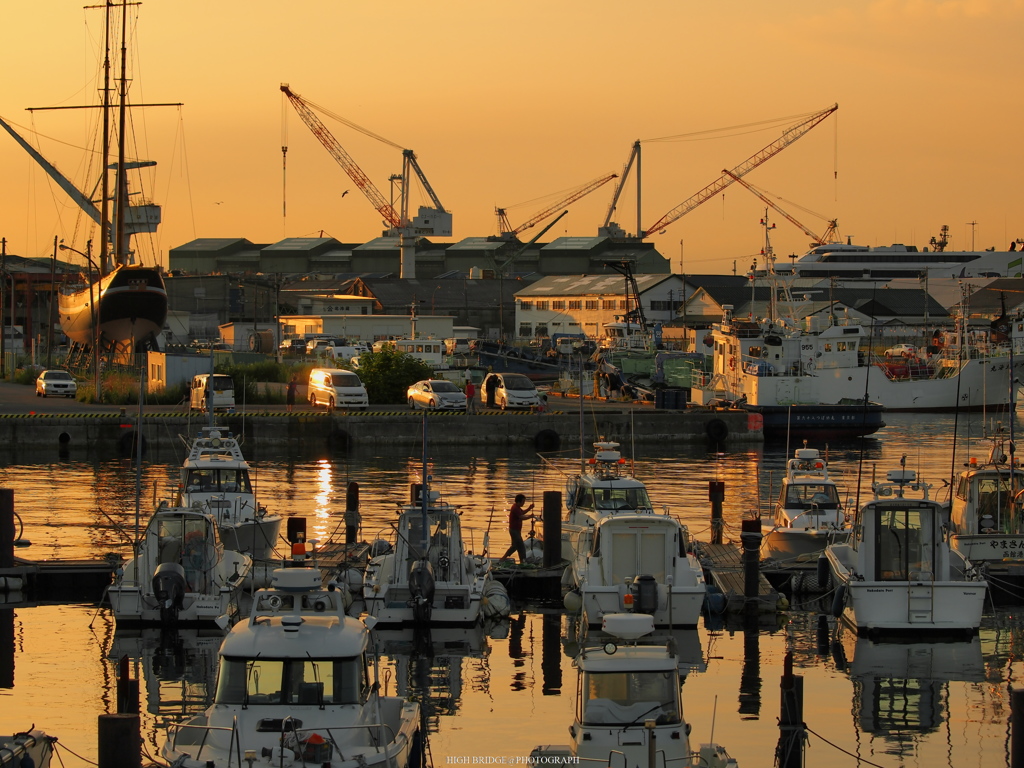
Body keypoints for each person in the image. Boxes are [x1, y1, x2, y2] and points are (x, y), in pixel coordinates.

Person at [501, 493, 535, 563]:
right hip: (514, 530)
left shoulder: (518, 508)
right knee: (520, 547)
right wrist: (530, 517)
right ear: (519, 502)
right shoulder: (515, 508)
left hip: (516, 530)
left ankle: (521, 561)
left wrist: (529, 508)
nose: (523, 503)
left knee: (516, 546)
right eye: (523, 502)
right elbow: (521, 517)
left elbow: (522, 512)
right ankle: (505, 558)